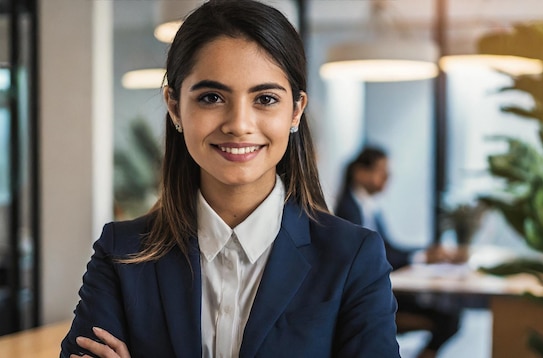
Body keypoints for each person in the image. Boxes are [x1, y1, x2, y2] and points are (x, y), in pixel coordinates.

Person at [60, 1, 400, 357]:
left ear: (296, 110)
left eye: (265, 98)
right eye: (211, 97)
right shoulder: (123, 252)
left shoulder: (352, 259)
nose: (238, 124)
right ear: (175, 106)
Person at [334, 146, 460, 358]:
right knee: (448, 319)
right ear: (360, 172)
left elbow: (387, 248)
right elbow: (376, 254)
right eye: (382, 171)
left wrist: (423, 254)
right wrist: (421, 257)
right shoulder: (348, 212)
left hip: (382, 290)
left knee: (450, 313)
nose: (387, 178)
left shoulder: (368, 206)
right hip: (367, 299)